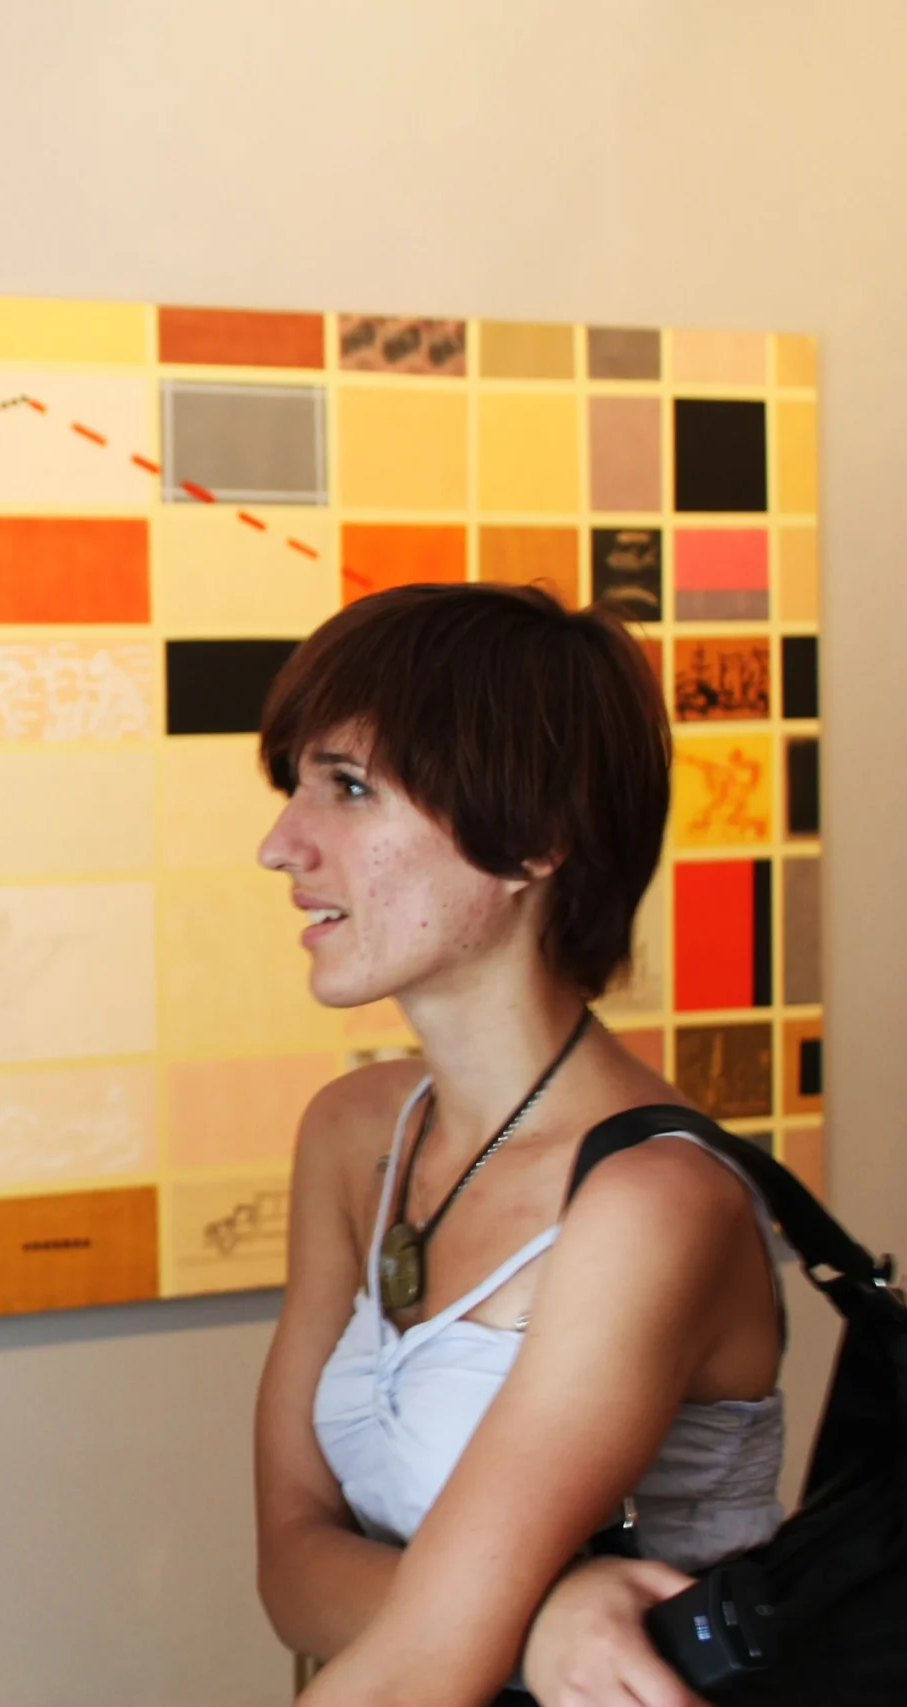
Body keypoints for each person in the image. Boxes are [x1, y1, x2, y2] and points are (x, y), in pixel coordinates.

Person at [250, 583, 786, 1707]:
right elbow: (291, 1568)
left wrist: (472, 1627)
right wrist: (535, 1616)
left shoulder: (651, 1201)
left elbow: (426, 1666)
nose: (279, 845)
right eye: (295, 784)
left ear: (535, 837)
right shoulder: (355, 1133)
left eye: (349, 787)